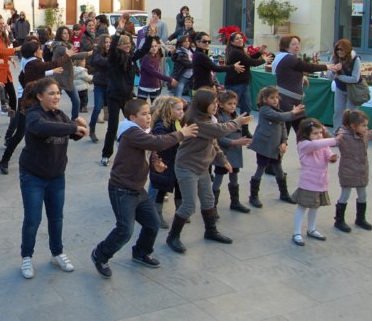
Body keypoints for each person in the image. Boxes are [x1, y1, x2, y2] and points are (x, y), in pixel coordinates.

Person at [90, 98, 196, 278]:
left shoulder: (143, 132)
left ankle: (141, 252)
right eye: (144, 114)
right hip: (121, 190)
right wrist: (181, 134)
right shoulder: (131, 132)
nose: (148, 117)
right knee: (125, 230)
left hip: (138, 189)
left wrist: (156, 165)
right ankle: (100, 255)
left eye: (149, 113)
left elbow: (150, 152)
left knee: (153, 223)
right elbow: (156, 143)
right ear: (132, 118)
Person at [166, 88, 252, 254]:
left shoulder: (208, 119)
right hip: (187, 167)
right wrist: (238, 122)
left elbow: (213, 142)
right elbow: (220, 131)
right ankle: (173, 237)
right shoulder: (197, 122)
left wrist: (222, 159)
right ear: (202, 104)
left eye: (216, 102)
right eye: (212, 103)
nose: (215, 105)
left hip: (202, 167)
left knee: (208, 200)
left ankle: (211, 231)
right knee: (189, 205)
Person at [18, 78, 88, 279]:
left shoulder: (60, 115)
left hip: (57, 176)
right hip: (33, 176)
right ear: (40, 96)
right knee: (33, 219)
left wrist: (80, 128)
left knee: (56, 218)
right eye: (51, 93)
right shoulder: (33, 115)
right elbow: (43, 128)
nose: (56, 97)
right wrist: (72, 128)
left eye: (58, 93)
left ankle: (57, 253)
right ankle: (27, 257)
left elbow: (73, 134)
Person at [0, 40, 67, 174]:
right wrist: (67, 55)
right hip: (29, 103)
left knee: (33, 132)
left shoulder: (31, 62)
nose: (41, 51)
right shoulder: (34, 62)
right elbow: (51, 64)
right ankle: (4, 160)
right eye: (39, 49)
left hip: (34, 101)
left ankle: (10, 159)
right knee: (21, 133)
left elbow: (27, 76)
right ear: (35, 52)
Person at [101, 30, 154, 167]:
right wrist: (118, 32)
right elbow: (112, 48)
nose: (127, 45)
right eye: (124, 43)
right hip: (114, 96)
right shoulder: (113, 58)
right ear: (118, 45)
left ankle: (139, 149)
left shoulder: (131, 58)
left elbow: (144, 50)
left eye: (129, 43)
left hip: (127, 97)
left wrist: (150, 36)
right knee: (112, 127)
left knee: (135, 123)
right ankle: (106, 155)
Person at [247, 86, 305, 208]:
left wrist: (284, 142)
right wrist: (293, 112)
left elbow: (283, 127)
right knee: (260, 169)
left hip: (275, 147)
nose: (275, 100)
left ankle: (284, 193)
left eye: (276, 97)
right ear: (264, 99)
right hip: (264, 146)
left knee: (279, 170)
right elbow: (280, 117)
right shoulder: (264, 110)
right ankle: (253, 196)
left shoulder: (278, 110)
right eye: (272, 98)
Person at [272, 35, 337, 137]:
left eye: (298, 44)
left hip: (294, 101)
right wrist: (327, 66)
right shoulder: (289, 58)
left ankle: (304, 145)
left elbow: (289, 72)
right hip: (287, 101)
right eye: (293, 44)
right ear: (286, 46)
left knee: (302, 132)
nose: (297, 46)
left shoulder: (284, 57)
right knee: (285, 133)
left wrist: (302, 77)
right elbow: (308, 67)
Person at [290, 119, 339, 246]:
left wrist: (332, 157)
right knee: (302, 207)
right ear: (306, 134)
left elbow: (328, 152)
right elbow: (316, 145)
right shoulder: (304, 144)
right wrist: (336, 140)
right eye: (315, 133)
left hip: (321, 182)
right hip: (308, 182)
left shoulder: (321, 144)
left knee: (315, 207)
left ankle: (311, 229)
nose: (319, 136)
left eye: (320, 133)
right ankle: (296, 232)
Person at [334, 110, 372, 233]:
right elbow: (331, 142)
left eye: (366, 125)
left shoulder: (365, 134)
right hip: (347, 172)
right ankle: (339, 220)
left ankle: (360, 219)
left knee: (363, 195)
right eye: (364, 125)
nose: (367, 128)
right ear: (353, 126)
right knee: (345, 195)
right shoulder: (343, 136)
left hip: (361, 172)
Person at [148, 96, 186, 228]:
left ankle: (180, 212)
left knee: (179, 186)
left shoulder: (176, 122)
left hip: (175, 160)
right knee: (161, 188)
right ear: (169, 110)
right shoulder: (161, 124)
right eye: (178, 109)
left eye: (182, 109)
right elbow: (160, 139)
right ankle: (157, 214)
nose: (181, 112)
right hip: (163, 161)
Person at [214, 90, 252, 215]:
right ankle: (212, 206)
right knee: (218, 179)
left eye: (235, 103)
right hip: (223, 154)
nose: (233, 106)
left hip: (234, 153)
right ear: (221, 104)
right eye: (229, 103)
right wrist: (236, 142)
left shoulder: (236, 116)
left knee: (234, 177)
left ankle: (235, 202)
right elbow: (219, 138)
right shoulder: (219, 118)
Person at [224, 32, 271, 130]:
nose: (240, 40)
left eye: (241, 38)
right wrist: (264, 60)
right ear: (232, 42)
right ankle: (230, 129)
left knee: (246, 107)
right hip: (235, 84)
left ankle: (244, 129)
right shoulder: (236, 51)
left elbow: (247, 59)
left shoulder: (240, 51)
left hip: (243, 83)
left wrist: (259, 52)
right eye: (237, 39)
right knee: (231, 108)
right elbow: (251, 62)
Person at [51, 26, 91, 120]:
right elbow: (74, 56)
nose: (67, 35)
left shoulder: (68, 45)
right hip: (58, 78)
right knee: (53, 101)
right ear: (60, 35)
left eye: (68, 33)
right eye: (64, 33)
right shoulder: (59, 47)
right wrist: (90, 53)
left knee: (76, 101)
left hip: (67, 78)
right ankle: (51, 120)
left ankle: (74, 120)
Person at [0, 15, 20, 113]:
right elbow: (1, 51)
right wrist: (16, 49)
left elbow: (3, 51)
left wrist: (10, 58)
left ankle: (12, 115)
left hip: (5, 70)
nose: (2, 25)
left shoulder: (3, 35)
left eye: (3, 23)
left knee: (12, 95)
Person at [328, 39, 363, 130]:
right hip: (340, 88)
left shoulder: (355, 59)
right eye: (337, 49)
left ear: (347, 50)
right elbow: (329, 77)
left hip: (353, 90)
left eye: (341, 49)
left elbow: (355, 78)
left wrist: (339, 77)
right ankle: (338, 132)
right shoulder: (334, 58)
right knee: (338, 111)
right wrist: (334, 70)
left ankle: (351, 133)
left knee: (351, 114)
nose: (339, 51)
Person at [137, 38, 176, 102]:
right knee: (140, 106)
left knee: (155, 107)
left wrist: (173, 51)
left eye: (155, 46)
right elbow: (154, 73)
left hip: (156, 87)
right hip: (144, 87)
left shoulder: (157, 55)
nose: (154, 48)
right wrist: (169, 79)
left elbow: (158, 70)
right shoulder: (145, 58)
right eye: (151, 46)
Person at [88, 35, 110, 143]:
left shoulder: (112, 52)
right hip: (99, 84)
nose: (108, 44)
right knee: (97, 108)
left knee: (111, 111)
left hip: (110, 85)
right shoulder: (97, 51)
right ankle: (91, 130)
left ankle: (112, 132)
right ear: (102, 43)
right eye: (106, 42)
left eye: (109, 42)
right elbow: (99, 61)